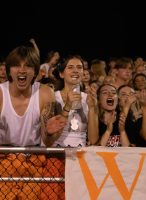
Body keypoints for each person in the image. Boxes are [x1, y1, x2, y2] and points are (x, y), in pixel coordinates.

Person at [0, 45, 66, 199]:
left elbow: (48, 141)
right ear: (9, 70)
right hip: (2, 163)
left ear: (35, 71)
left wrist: (50, 134)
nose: (22, 70)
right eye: (17, 65)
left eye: (28, 66)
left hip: (32, 163)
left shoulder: (45, 93)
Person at [41, 55, 89, 200]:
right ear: (61, 74)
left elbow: (93, 137)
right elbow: (47, 135)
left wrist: (93, 109)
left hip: (80, 158)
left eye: (79, 67)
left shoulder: (88, 99)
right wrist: (67, 106)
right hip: (56, 158)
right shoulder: (52, 98)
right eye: (70, 67)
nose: (76, 71)